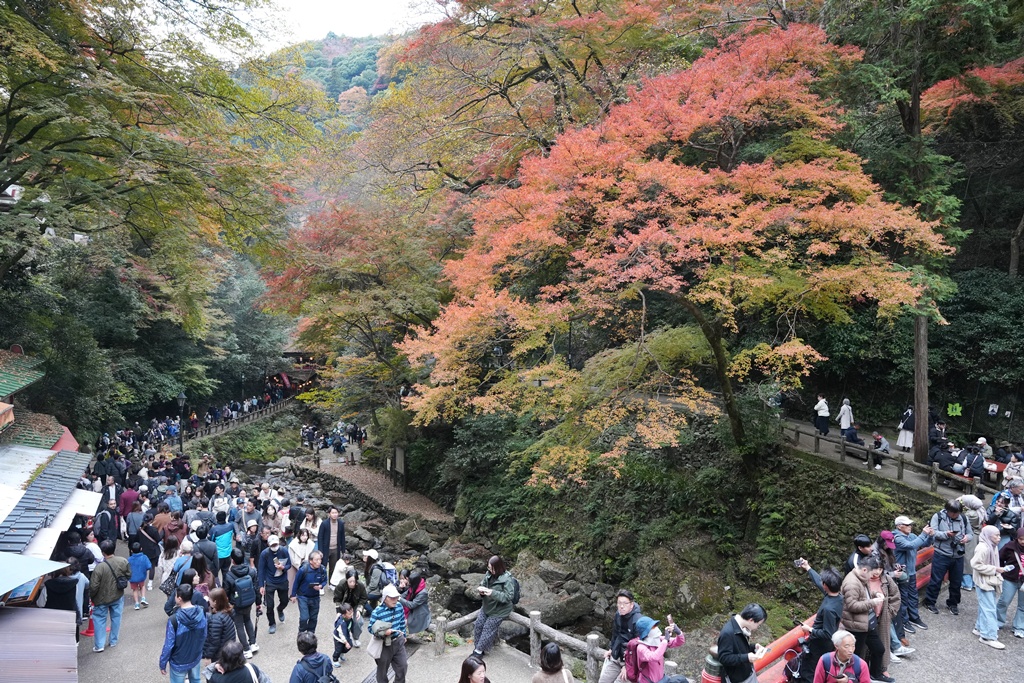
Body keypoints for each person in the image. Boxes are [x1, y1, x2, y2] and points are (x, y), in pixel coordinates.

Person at [840, 557, 892, 683]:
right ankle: (852, 679)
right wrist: (872, 602)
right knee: (854, 656)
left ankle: (875, 674)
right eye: (871, 574)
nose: (872, 577)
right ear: (864, 569)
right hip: (856, 625)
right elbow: (852, 605)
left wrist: (874, 594)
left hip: (866, 623)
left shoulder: (862, 577)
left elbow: (864, 594)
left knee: (879, 649)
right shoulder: (851, 583)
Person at [795, 560, 844, 682]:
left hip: (819, 646)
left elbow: (828, 634)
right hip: (825, 646)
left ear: (826, 586)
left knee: (809, 673)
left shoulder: (829, 609)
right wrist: (808, 568)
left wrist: (809, 629)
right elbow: (819, 582)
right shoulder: (838, 597)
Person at [922, 499, 972, 616]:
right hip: (941, 553)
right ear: (947, 510)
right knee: (936, 579)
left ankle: (953, 604)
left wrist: (966, 538)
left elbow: (970, 533)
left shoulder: (963, 518)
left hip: (958, 554)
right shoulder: (938, 516)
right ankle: (930, 602)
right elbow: (932, 532)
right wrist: (946, 534)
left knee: (956, 581)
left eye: (957, 513)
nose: (955, 515)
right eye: (953, 513)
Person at [892, 515, 933, 634]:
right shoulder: (897, 537)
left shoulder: (911, 536)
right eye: (907, 525)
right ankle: (904, 621)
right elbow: (911, 545)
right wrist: (923, 534)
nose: (910, 526)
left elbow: (924, 543)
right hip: (902, 573)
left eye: (910, 524)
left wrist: (930, 536)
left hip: (911, 572)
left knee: (913, 596)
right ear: (899, 526)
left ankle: (914, 617)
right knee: (903, 597)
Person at [160, 584, 209, 683]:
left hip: (179, 661)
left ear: (179, 598)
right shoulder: (201, 611)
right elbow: (204, 634)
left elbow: (169, 645)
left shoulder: (174, 620)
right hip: (195, 656)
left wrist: (163, 663)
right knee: (196, 680)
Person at [89, 539, 130, 653]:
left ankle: (99, 645)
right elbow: (128, 575)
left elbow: (94, 586)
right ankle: (113, 641)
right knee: (116, 618)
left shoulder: (99, 567)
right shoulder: (122, 561)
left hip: (101, 598)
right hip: (117, 595)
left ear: (102, 552)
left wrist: (92, 596)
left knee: (100, 620)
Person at [472, 555, 515, 657]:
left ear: (498, 567)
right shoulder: (488, 575)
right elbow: (483, 584)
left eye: (491, 568)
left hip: (500, 610)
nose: (490, 570)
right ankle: (478, 647)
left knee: (488, 629)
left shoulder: (507, 579)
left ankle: (478, 652)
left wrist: (492, 593)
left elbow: (508, 597)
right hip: (487, 606)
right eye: (489, 568)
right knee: (478, 625)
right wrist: (482, 591)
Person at [972, 525, 1006, 649]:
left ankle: (979, 627)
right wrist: (995, 569)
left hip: (990, 580)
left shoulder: (992, 546)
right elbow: (975, 564)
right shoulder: (983, 547)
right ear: (988, 535)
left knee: (986, 606)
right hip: (983, 581)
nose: (999, 537)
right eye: (996, 535)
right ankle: (988, 636)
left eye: (999, 535)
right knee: (990, 608)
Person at [598, 589, 642, 683]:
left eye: (625, 603)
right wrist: (612, 649)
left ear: (631, 604)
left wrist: (627, 666)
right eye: (619, 603)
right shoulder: (618, 615)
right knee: (603, 681)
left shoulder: (638, 621)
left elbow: (639, 646)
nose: (621, 606)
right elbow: (615, 634)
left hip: (631, 662)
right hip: (617, 656)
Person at [716, 603, 768, 683]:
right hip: (737, 679)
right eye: (758, 624)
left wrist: (753, 647)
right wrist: (746, 657)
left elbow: (739, 648)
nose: (758, 627)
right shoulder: (728, 633)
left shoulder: (742, 627)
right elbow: (724, 658)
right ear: (751, 620)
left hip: (747, 673)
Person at [223, 548, 260, 657]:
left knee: (239, 625)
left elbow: (225, 592)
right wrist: (258, 603)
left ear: (232, 560)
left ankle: (246, 649)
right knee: (248, 619)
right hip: (249, 601)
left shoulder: (229, 575)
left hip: (236, 603)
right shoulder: (251, 571)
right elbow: (256, 587)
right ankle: (253, 643)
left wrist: (227, 605)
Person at [369, 584, 408, 683]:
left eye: (396, 597)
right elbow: (370, 628)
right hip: (383, 645)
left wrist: (404, 635)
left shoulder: (399, 606)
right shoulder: (377, 612)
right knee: (382, 671)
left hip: (398, 641)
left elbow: (402, 622)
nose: (395, 600)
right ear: (385, 598)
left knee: (403, 666)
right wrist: (383, 632)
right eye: (392, 598)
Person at [39, 561, 86, 643]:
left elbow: (40, 603)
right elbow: (75, 598)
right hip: (70, 619)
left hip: (52, 620)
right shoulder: (74, 584)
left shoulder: (47, 586)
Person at [632, 615, 686, 683]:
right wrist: (665, 640)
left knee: (681, 680)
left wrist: (678, 632)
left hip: (661, 679)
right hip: (647, 681)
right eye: (653, 627)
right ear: (646, 632)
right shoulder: (641, 647)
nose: (656, 628)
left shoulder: (658, 640)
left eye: (655, 625)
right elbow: (654, 657)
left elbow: (679, 642)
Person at [258, 534, 291, 634]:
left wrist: (283, 568)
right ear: (268, 544)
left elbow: (289, 564)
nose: (274, 546)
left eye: (276, 544)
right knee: (269, 605)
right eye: (272, 545)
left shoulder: (284, 550)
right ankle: (272, 623)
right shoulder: (264, 554)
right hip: (270, 581)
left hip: (282, 580)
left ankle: (280, 609)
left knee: (285, 600)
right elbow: (261, 570)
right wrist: (261, 585)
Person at [291, 549, 328, 633]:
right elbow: (296, 582)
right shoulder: (303, 570)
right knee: (304, 617)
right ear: (311, 561)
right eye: (316, 560)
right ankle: (301, 632)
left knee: (313, 618)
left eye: (320, 559)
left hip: (315, 597)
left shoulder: (322, 569)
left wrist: (321, 586)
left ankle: (311, 633)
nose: (319, 562)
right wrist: (293, 595)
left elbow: (325, 580)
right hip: (303, 596)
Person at [996, 528, 1024, 638]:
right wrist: (1002, 570)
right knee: (1004, 601)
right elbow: (999, 557)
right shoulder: (1010, 546)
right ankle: (998, 621)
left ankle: (1019, 627)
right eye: (1021, 539)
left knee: (1023, 606)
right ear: (1017, 538)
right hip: (1010, 579)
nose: (1023, 541)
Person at [205, 641, 270, 683]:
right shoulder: (251, 669)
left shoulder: (216, 678)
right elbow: (267, 681)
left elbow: (207, 671)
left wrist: (215, 665)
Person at [203, 587, 239, 662]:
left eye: (210, 599)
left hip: (220, 656)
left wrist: (208, 656)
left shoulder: (216, 619)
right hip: (229, 650)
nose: (208, 600)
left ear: (215, 602)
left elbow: (214, 641)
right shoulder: (229, 611)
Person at [333, 568, 367, 646]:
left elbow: (364, 598)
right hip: (344, 605)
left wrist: (359, 609)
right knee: (342, 623)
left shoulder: (360, 586)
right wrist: (339, 612)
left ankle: (356, 637)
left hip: (355, 605)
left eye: (354, 581)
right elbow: (337, 599)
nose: (352, 583)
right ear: (346, 580)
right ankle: (343, 639)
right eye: (350, 581)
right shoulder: (341, 584)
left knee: (359, 621)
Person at [316, 505, 346, 584]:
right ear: (329, 514)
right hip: (326, 549)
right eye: (333, 513)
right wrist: (320, 550)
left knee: (333, 567)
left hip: (336, 548)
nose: (335, 514)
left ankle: (331, 583)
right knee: (323, 566)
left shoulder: (340, 523)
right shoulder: (324, 524)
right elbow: (320, 537)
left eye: (336, 513)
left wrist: (343, 550)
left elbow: (342, 537)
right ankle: (321, 584)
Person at [398, 569, 431, 637]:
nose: (408, 584)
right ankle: (399, 637)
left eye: (410, 582)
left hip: (419, 613)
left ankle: (401, 637)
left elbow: (412, 605)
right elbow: (404, 595)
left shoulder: (423, 593)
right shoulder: (414, 586)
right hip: (412, 610)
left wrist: (399, 598)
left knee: (402, 621)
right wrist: (398, 592)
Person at [128, 541, 152, 610]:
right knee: (142, 586)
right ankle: (143, 598)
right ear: (141, 549)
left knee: (135, 590)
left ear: (131, 551)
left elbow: (126, 568)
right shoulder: (144, 557)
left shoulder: (129, 559)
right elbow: (149, 566)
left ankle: (137, 604)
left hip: (132, 577)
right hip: (141, 576)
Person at [331, 602, 356, 667]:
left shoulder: (349, 619)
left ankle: (342, 653)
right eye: (349, 614)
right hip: (339, 638)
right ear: (344, 615)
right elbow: (341, 634)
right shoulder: (341, 623)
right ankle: (335, 660)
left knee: (350, 645)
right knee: (338, 649)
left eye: (352, 612)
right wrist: (345, 642)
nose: (351, 615)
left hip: (346, 635)